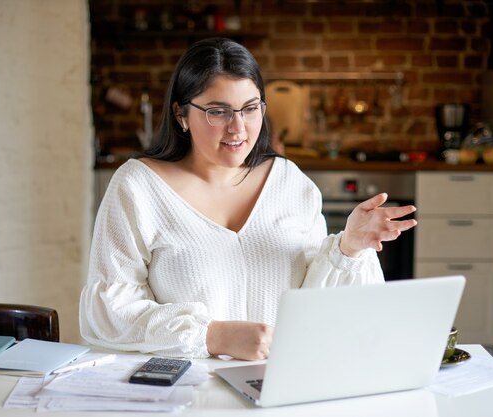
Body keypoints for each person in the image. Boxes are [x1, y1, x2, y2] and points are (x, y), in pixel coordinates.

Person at [80, 38, 417, 360]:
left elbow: (314, 309)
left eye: (250, 108)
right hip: (185, 388)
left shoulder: (289, 183)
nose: (238, 128)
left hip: (279, 382)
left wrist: (349, 248)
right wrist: (213, 337)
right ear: (181, 115)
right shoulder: (138, 186)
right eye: (218, 111)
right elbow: (109, 311)